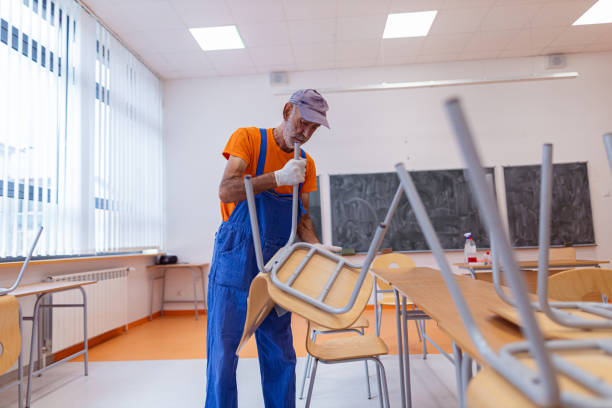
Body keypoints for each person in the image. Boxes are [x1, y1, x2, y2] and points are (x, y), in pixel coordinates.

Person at [205, 89, 337, 408]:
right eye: (303, 122)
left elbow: (301, 219)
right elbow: (226, 191)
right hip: (235, 263)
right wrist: (276, 177)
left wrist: (320, 250)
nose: (305, 133)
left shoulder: (305, 163)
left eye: (314, 128)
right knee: (223, 353)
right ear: (287, 110)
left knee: (280, 352)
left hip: (277, 267)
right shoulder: (248, 139)